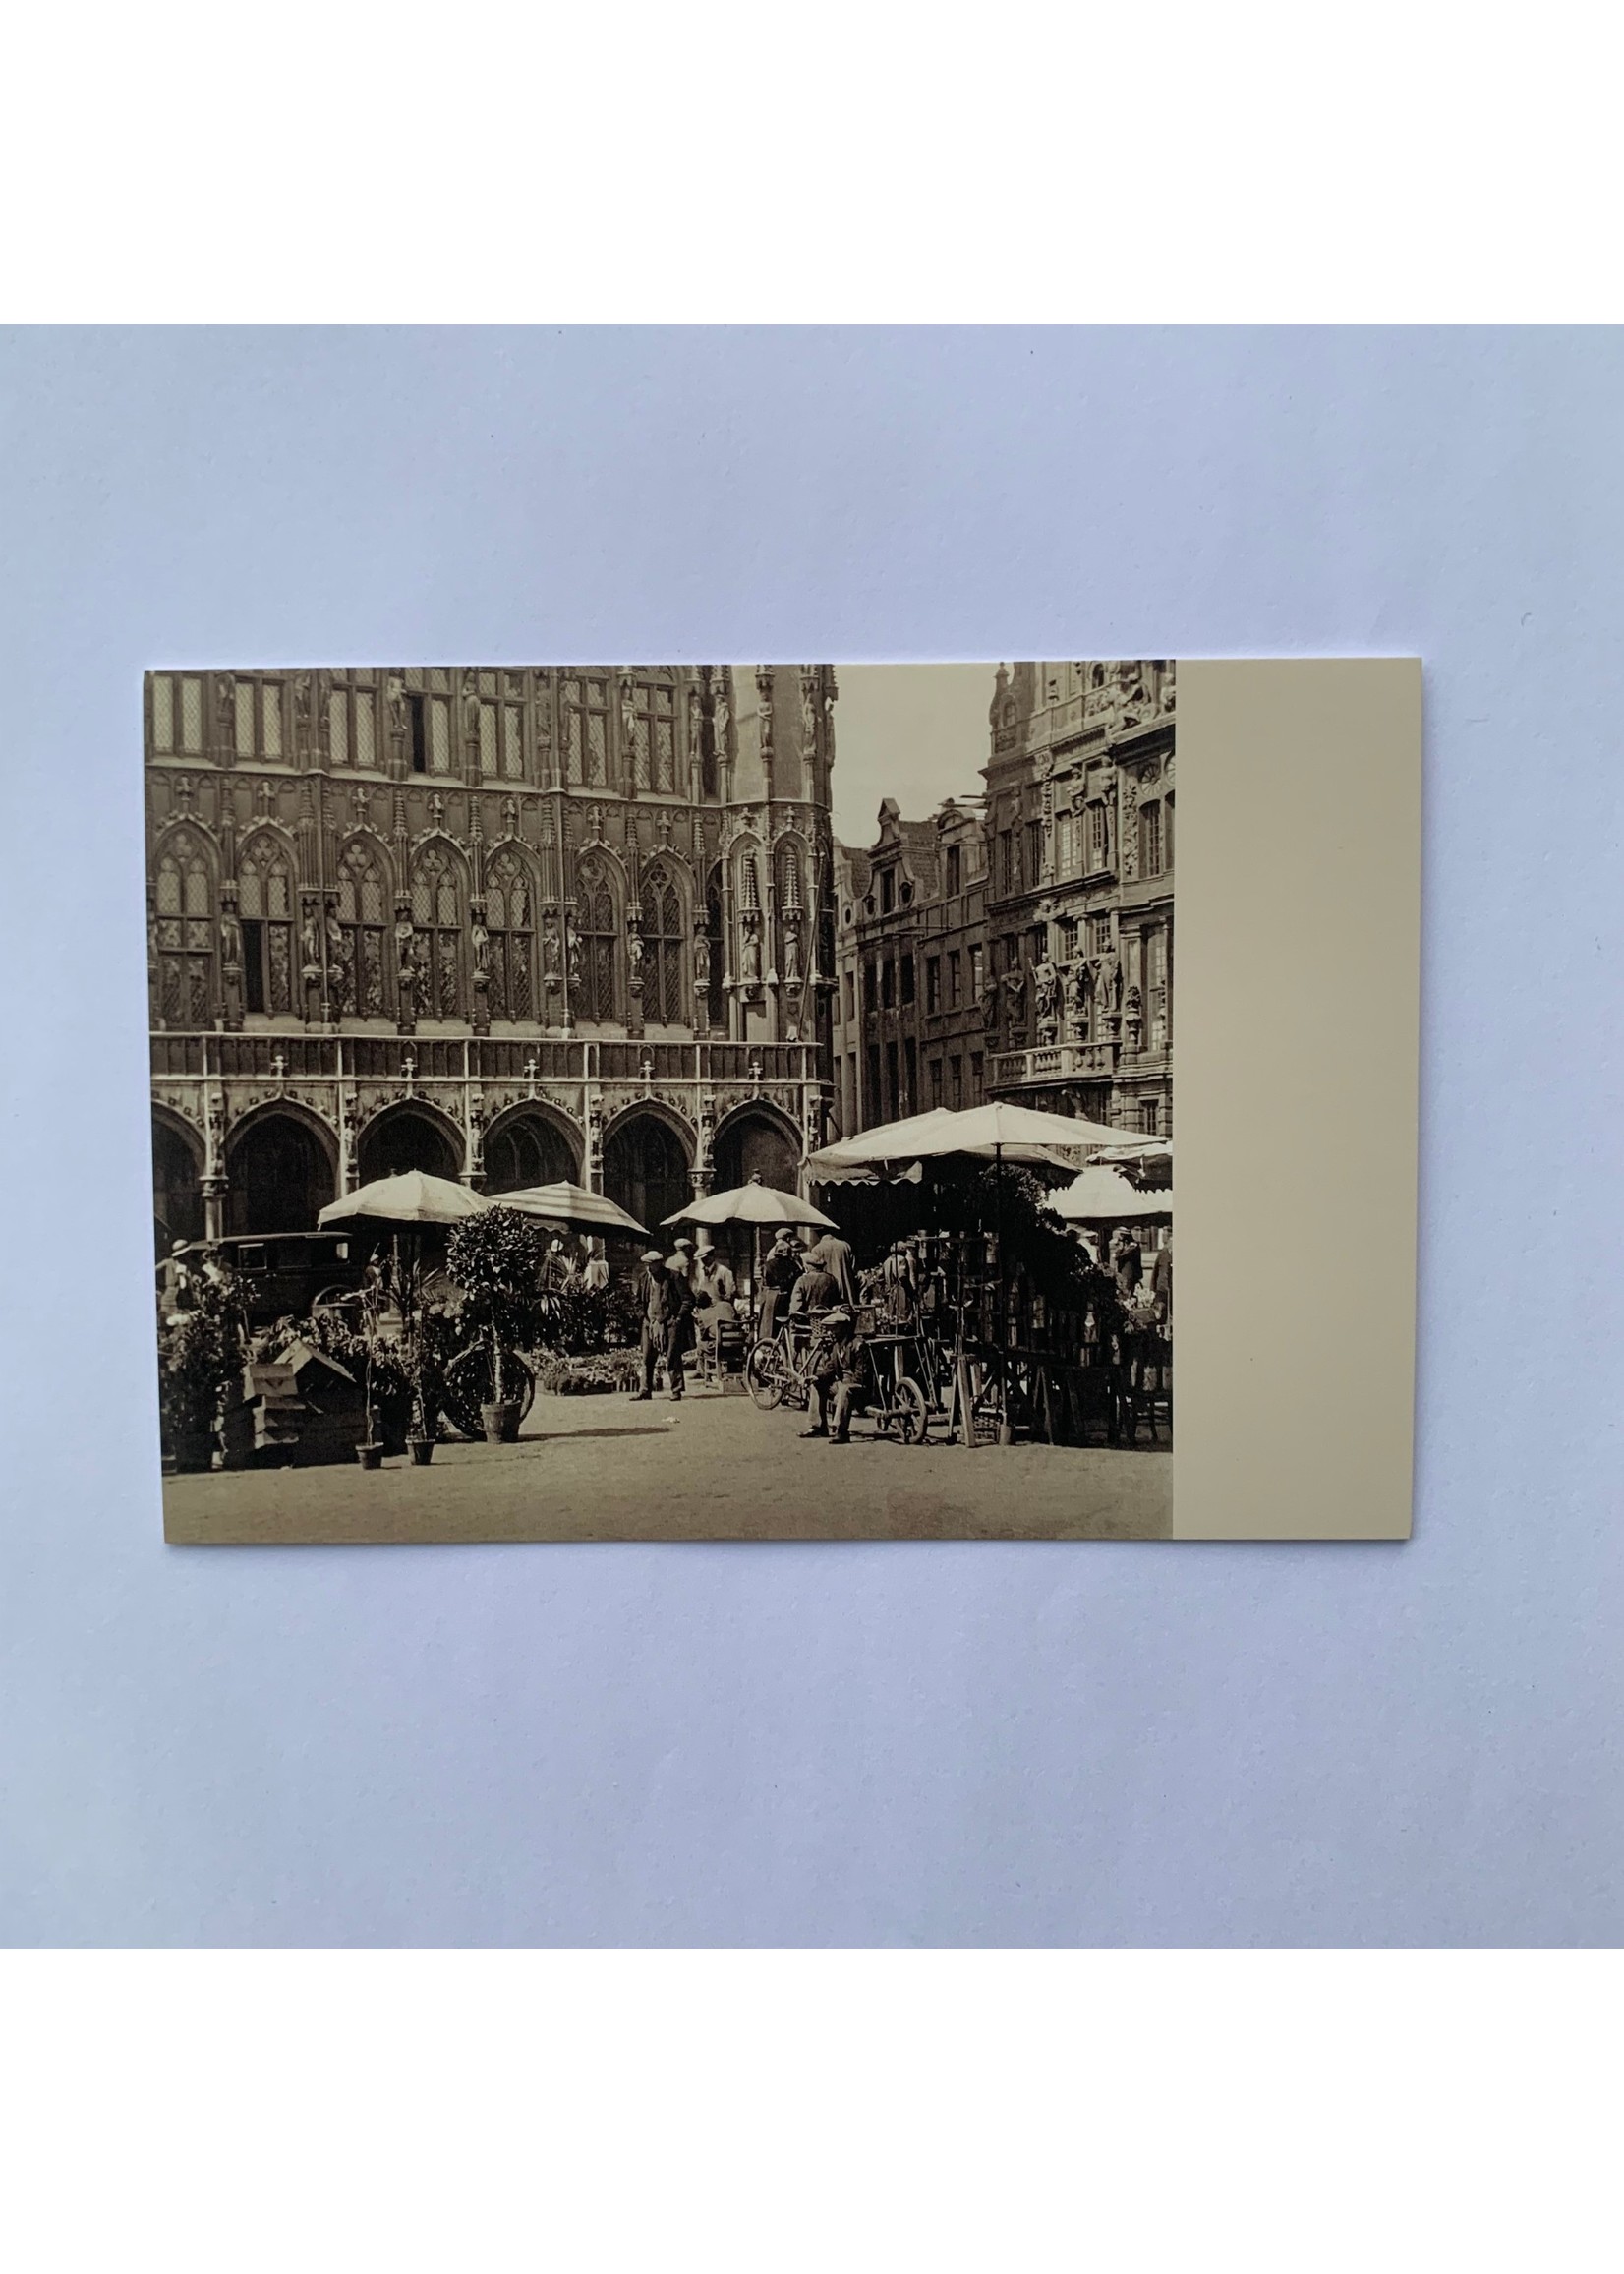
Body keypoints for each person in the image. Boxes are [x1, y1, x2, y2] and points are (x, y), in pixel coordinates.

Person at [634, 1248, 693, 1402]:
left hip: (670, 1322)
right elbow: (639, 1302)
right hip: (649, 1322)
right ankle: (645, 1390)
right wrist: (644, 1318)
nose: (649, 1268)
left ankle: (676, 1390)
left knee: (672, 1356)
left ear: (659, 1264)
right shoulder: (644, 1278)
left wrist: (678, 1318)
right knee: (647, 1357)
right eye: (647, 1265)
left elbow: (688, 1299)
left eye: (651, 1265)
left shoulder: (674, 1277)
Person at [801, 1309, 866, 1443]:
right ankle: (818, 1426)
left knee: (844, 1390)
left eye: (833, 1329)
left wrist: (844, 1388)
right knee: (817, 1385)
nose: (830, 1333)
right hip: (842, 1385)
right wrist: (816, 1377)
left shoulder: (858, 1346)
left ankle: (841, 1431)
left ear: (843, 1329)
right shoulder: (836, 1347)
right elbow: (830, 1369)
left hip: (858, 1388)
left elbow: (861, 1375)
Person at [758, 1230, 801, 1342]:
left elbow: (765, 1281)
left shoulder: (768, 1265)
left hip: (771, 1299)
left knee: (769, 1327)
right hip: (787, 1300)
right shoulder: (794, 1266)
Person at [800, 1227, 857, 1307]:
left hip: (829, 1290)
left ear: (817, 1234)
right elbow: (854, 1269)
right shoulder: (845, 1246)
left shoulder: (817, 1249)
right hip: (847, 1289)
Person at [788, 1250, 839, 1324]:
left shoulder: (803, 1280)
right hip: (827, 1320)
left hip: (807, 1320)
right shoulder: (831, 1279)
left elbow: (796, 1304)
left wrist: (792, 1313)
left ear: (806, 1266)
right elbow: (836, 1299)